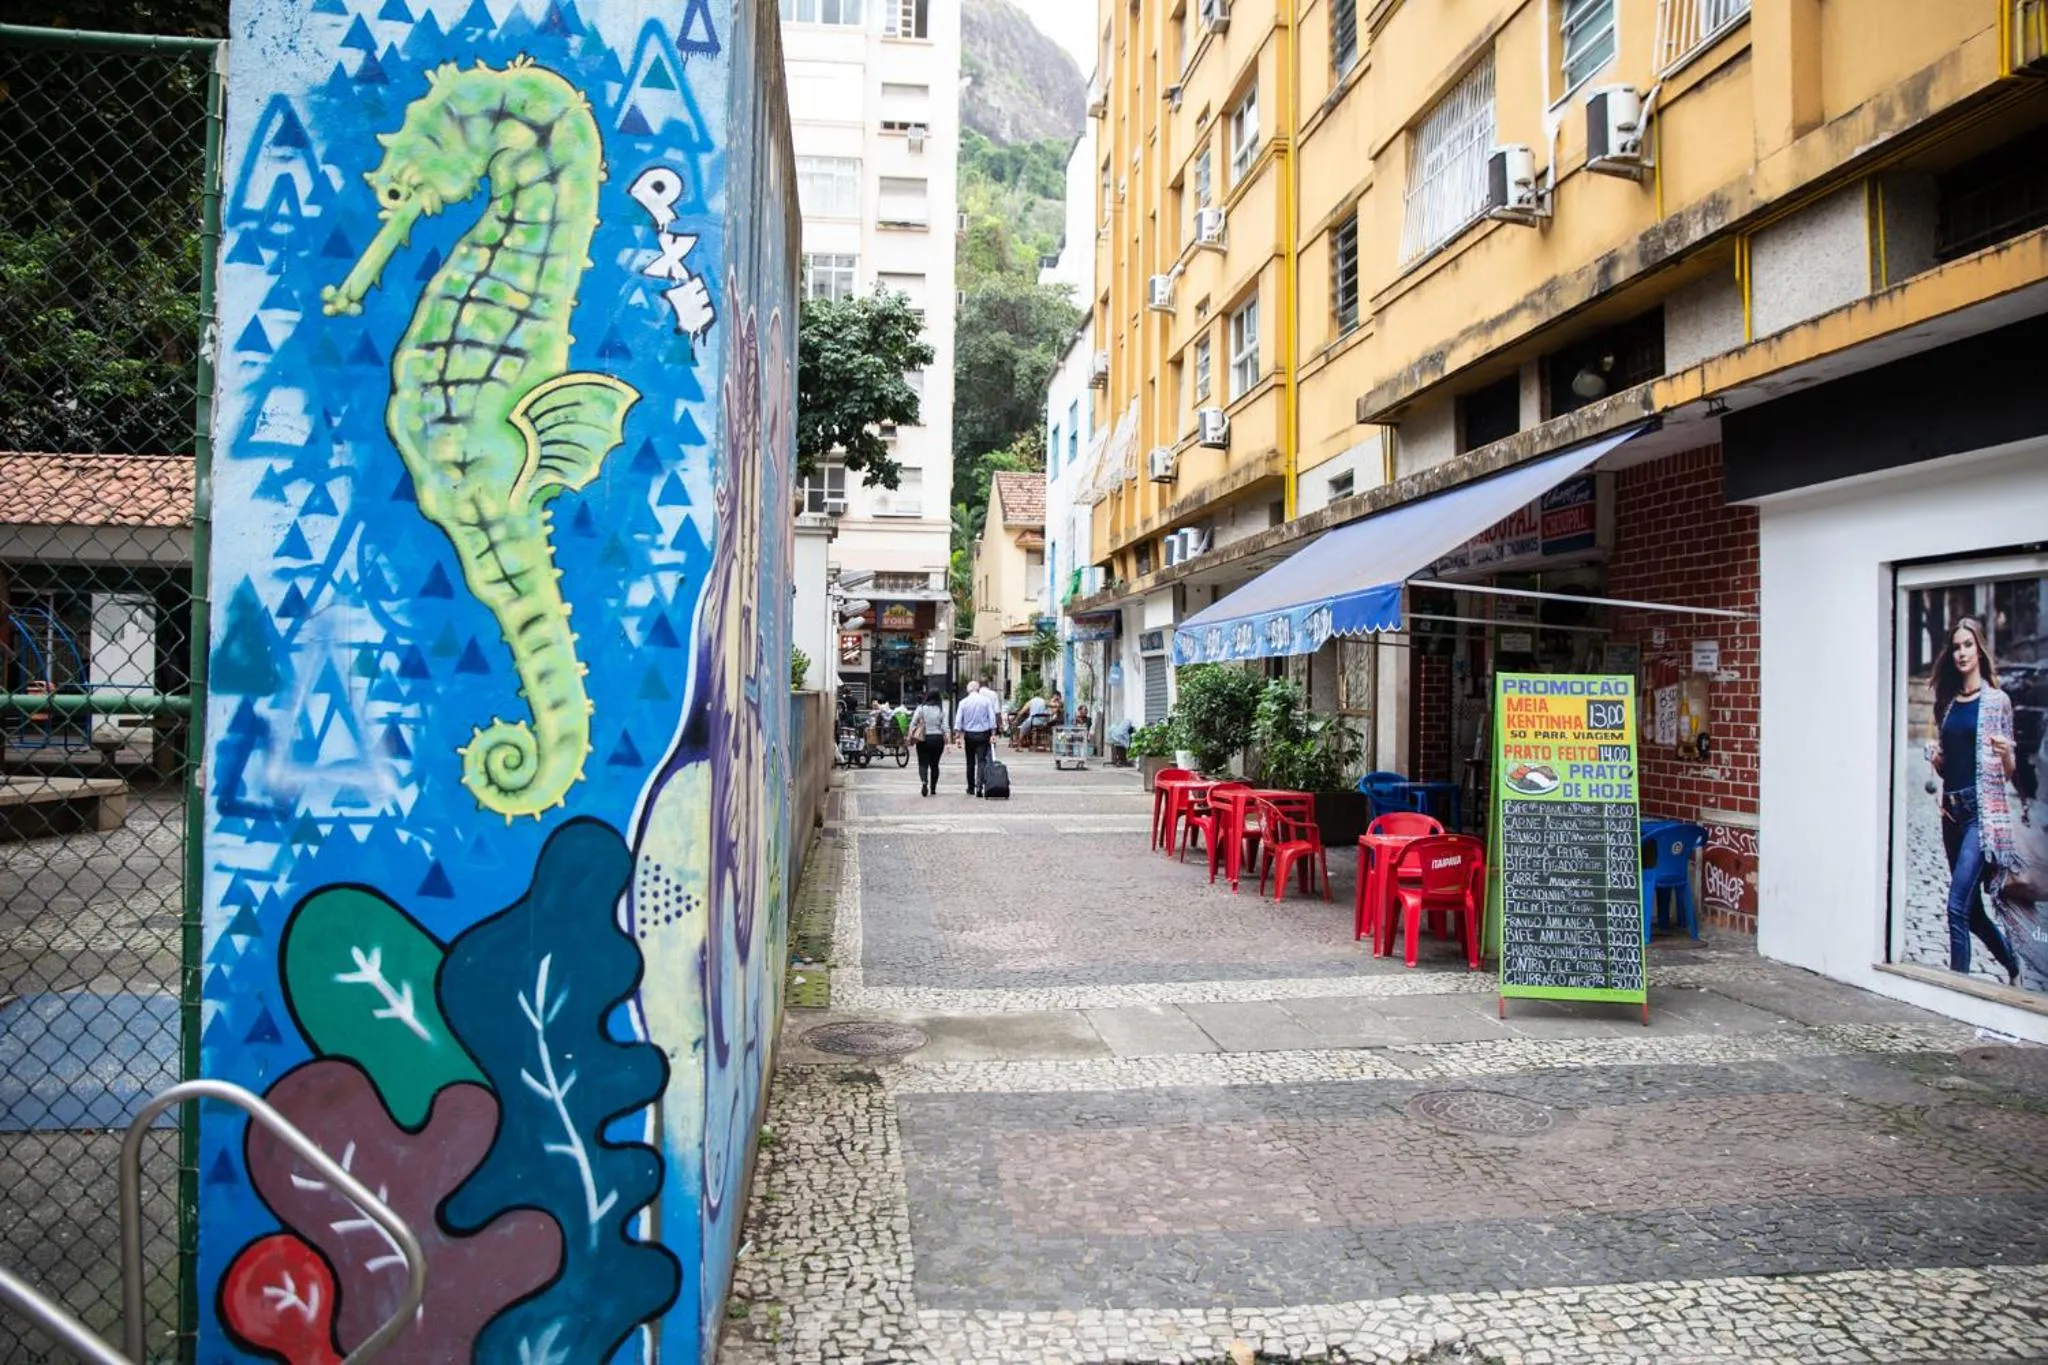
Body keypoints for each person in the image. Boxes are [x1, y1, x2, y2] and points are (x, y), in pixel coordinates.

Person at [1930, 617, 2024, 986]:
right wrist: (1938, 760)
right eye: (1956, 647)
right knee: (1972, 913)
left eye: (1968, 645)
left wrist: (2005, 754)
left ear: (1980, 650)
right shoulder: (1948, 705)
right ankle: (2013, 965)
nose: (1961, 652)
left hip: (1979, 816)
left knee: (1956, 907)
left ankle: (1957, 990)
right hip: (1951, 814)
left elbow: (2008, 771)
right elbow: (1948, 767)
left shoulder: (1997, 701)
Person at [955, 679, 1001, 796]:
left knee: (970, 762)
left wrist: (958, 736)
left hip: (969, 735)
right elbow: (992, 718)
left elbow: (958, 721)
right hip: (983, 734)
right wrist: (993, 733)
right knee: (981, 761)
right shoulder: (986, 701)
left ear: (968, 690)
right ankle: (979, 786)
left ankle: (970, 787)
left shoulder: (963, 702)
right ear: (978, 689)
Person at [909, 690, 948, 797]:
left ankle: (924, 781)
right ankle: (933, 788)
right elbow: (945, 726)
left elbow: (913, 723)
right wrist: (947, 738)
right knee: (934, 765)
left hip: (923, 738)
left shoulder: (921, 708)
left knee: (923, 763)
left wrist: (911, 734)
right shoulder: (941, 709)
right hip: (937, 738)